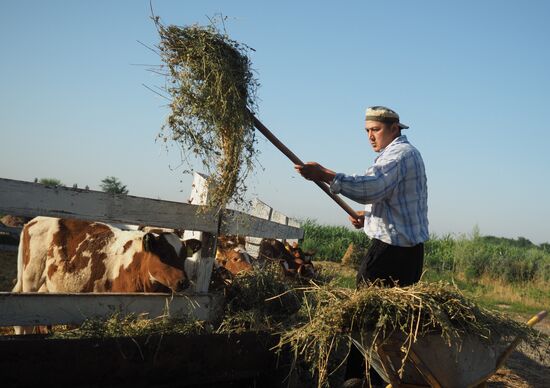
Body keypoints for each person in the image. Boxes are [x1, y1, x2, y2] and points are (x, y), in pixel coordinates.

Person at [294, 105, 428, 387]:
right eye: (367, 131)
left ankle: (357, 381)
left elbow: (373, 187)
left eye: (375, 130)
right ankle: (381, 379)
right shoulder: (402, 155)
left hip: (390, 254)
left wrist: (326, 175)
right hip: (407, 253)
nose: (370, 136)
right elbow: (397, 205)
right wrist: (369, 217)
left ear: (395, 128)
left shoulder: (399, 155)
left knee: (364, 322)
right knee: (387, 324)